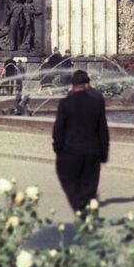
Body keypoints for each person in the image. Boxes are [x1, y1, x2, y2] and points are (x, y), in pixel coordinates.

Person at [51, 69, 109, 213]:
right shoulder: (96, 103)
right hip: (92, 151)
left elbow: (58, 129)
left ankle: (79, 206)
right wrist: (103, 153)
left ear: (72, 85)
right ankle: (87, 207)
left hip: (70, 150)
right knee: (89, 184)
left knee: (67, 179)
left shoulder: (65, 103)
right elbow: (103, 130)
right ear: (87, 85)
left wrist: (58, 147)